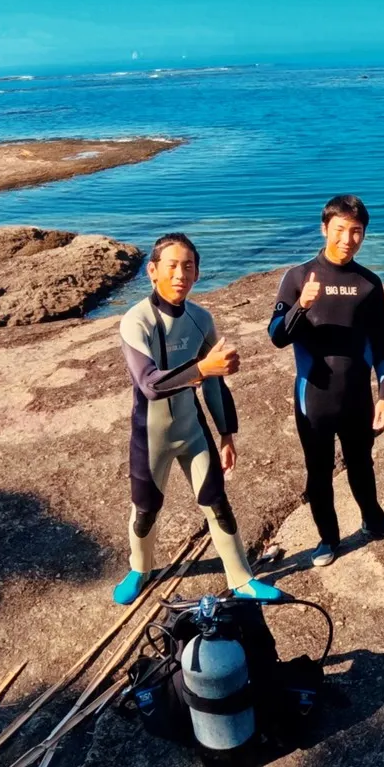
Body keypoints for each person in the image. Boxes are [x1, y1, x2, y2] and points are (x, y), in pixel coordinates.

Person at [114, 233, 280, 605]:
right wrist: (203, 368)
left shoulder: (201, 319)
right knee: (145, 510)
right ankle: (139, 568)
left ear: (198, 273)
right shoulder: (135, 321)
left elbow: (215, 385)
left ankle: (241, 578)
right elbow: (151, 385)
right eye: (171, 266)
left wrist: (226, 434)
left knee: (217, 502)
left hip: (192, 432)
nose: (180, 274)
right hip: (151, 435)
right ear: (152, 271)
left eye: (188, 266)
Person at [268, 194, 384, 566]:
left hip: (356, 397)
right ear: (324, 228)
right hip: (314, 395)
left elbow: (381, 343)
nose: (347, 239)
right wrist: (302, 306)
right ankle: (327, 540)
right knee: (319, 470)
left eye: (356, 232)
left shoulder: (368, 283)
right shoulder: (299, 277)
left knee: (362, 462)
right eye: (339, 230)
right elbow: (277, 335)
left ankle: (375, 522)